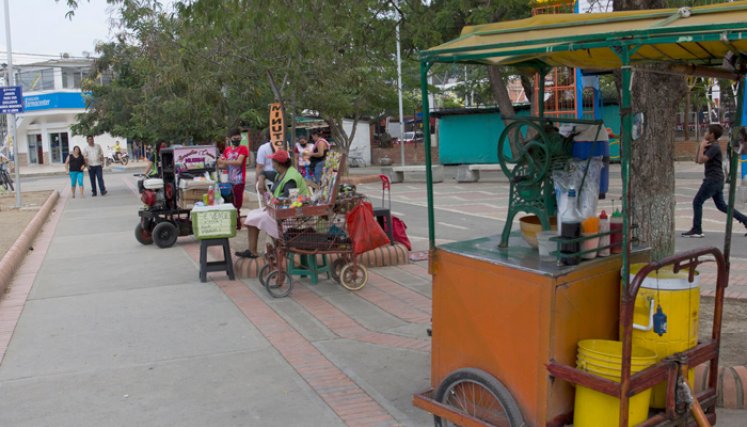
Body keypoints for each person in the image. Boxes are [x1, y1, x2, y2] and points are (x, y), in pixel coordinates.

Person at [236, 150, 310, 258]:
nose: (272, 164)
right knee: (252, 214)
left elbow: (287, 200)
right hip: (277, 210)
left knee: (260, 217)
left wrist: (269, 200)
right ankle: (252, 251)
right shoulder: (281, 173)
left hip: (291, 216)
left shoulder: (290, 178)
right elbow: (263, 173)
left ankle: (277, 248)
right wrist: (261, 181)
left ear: (278, 163)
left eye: (273, 161)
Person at [682, 124, 747, 238]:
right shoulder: (709, 145)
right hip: (715, 179)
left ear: (712, 134)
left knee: (697, 202)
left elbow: (702, 160)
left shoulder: (715, 147)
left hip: (713, 179)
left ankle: (697, 229)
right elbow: (697, 160)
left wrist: (702, 147)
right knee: (722, 206)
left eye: (707, 131)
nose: (705, 133)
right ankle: (745, 220)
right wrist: (701, 146)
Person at [217, 128, 249, 221]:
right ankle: (232, 221)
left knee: (238, 203)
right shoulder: (227, 150)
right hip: (228, 181)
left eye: (239, 138)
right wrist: (226, 162)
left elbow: (239, 162)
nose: (237, 140)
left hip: (239, 180)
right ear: (230, 139)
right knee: (229, 202)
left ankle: (237, 222)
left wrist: (225, 162)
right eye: (235, 138)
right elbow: (220, 163)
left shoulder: (243, 148)